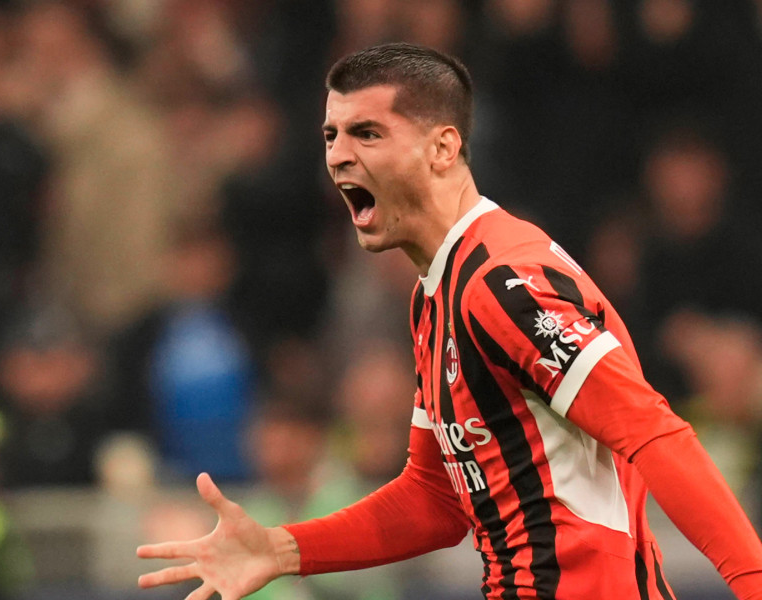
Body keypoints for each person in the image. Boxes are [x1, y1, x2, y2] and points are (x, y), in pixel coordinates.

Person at [137, 43, 762, 600]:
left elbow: (655, 434)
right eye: (330, 136)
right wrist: (283, 550)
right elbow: (435, 498)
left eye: (367, 133)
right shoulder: (437, 293)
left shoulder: (503, 285)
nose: (338, 157)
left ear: (444, 147)